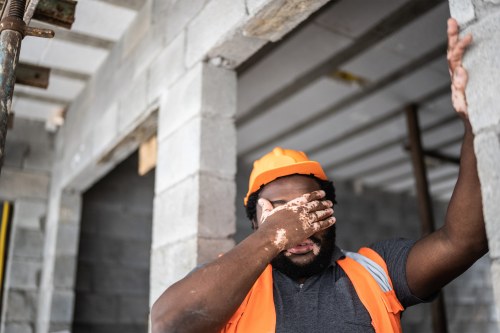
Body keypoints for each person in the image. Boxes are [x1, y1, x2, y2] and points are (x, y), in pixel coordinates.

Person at [150, 18, 488, 333]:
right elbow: (168, 323)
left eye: (309, 207)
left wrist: (475, 124)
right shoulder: (229, 283)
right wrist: (274, 237)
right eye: (280, 211)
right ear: (257, 223)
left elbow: (464, 241)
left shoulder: (376, 271)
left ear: (329, 214)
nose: (299, 224)